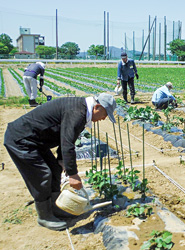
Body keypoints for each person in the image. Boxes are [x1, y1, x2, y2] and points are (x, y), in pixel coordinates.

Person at [3, 93, 116, 231]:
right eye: (105, 114)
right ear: (97, 107)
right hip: (21, 140)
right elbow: (67, 144)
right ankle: (44, 217)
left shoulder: (81, 111)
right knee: (42, 175)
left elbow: (68, 137)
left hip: (36, 141)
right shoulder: (77, 112)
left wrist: (62, 160)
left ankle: (56, 207)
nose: (104, 118)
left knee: (55, 169)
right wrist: (73, 174)